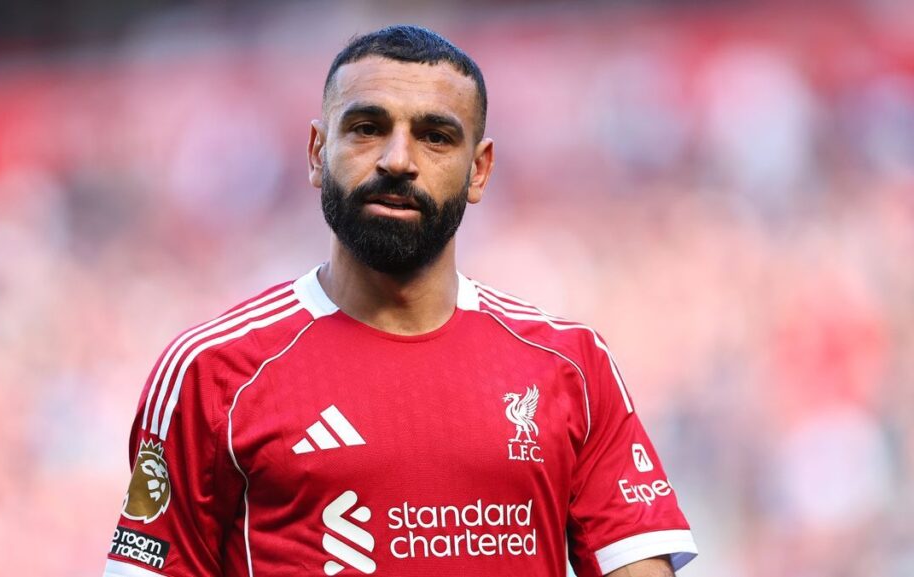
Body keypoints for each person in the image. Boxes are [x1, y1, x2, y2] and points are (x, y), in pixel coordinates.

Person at [103, 25, 697, 577]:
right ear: (316, 152)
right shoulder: (212, 372)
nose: (397, 160)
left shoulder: (570, 367)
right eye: (366, 128)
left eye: (435, 137)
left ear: (480, 170)